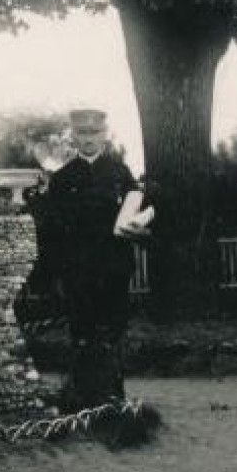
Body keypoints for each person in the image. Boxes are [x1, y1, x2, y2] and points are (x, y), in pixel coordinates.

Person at [48, 107, 147, 409]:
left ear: (104, 134)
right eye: (81, 133)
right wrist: (58, 274)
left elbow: (138, 213)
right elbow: (54, 230)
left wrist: (139, 227)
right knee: (81, 330)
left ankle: (113, 398)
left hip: (114, 268)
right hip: (78, 271)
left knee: (112, 330)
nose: (88, 139)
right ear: (73, 137)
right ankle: (79, 399)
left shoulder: (120, 173)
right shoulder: (62, 179)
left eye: (93, 133)